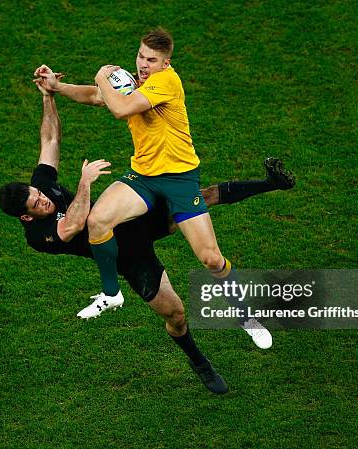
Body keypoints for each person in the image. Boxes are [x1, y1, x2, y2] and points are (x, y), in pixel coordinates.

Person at [0, 79, 295, 394]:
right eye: (37, 203)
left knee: (200, 198)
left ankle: (272, 184)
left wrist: (49, 97)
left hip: (132, 220)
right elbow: (72, 225)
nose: (44, 198)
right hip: (128, 256)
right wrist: (85, 183)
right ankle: (201, 364)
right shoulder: (37, 235)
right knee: (176, 315)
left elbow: (50, 139)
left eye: (38, 193)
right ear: (26, 216)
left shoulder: (41, 186)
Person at [33, 28, 266, 326]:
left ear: (165, 63)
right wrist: (57, 86)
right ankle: (111, 293)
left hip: (179, 180)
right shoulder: (136, 80)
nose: (143, 64)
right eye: (141, 56)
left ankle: (245, 315)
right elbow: (96, 96)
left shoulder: (166, 82)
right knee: (98, 220)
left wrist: (102, 77)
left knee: (210, 258)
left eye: (151, 60)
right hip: (142, 176)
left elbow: (120, 108)